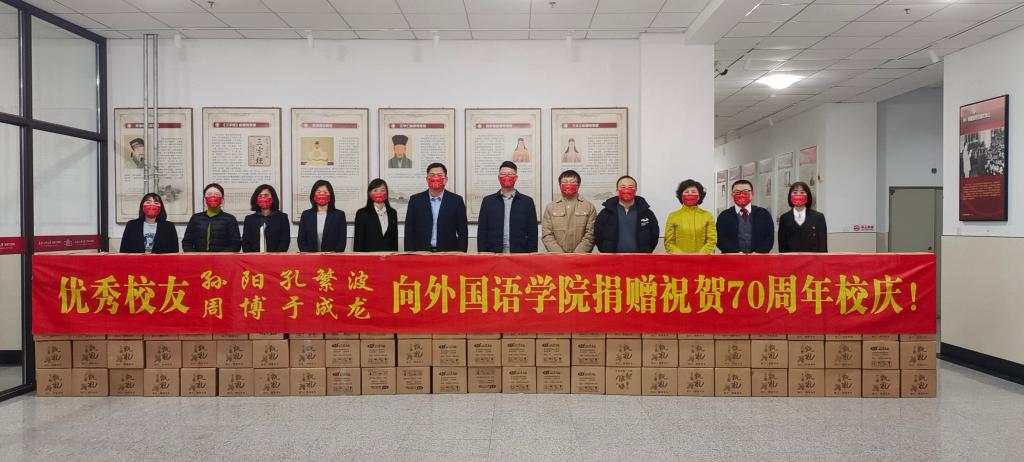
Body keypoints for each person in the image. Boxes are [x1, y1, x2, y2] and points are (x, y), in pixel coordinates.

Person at [404, 162, 468, 252]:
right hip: (421, 253)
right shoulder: (415, 200)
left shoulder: (456, 201)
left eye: (439, 175)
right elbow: (409, 231)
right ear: (427, 179)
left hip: (448, 253)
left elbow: (463, 232)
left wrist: (460, 253)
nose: (436, 178)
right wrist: (410, 254)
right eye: (432, 175)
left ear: (445, 179)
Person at [477, 161, 538, 253]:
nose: (506, 177)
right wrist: (483, 254)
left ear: (516, 178)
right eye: (503, 174)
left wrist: (531, 255)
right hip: (494, 253)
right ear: (499, 177)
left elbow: (532, 232)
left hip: (520, 253)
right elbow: (482, 231)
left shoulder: (527, 202)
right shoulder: (488, 201)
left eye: (510, 174)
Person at [594, 175, 659, 253]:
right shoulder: (606, 213)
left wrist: (646, 251)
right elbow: (598, 235)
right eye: (623, 187)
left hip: (639, 258)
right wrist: (606, 251)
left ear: (636, 190)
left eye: (630, 187)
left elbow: (654, 235)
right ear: (617, 190)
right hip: (612, 258)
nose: (627, 190)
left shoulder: (646, 213)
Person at [542, 169, 596, 253]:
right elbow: (547, 234)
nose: (568, 185)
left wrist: (576, 256)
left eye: (572, 182)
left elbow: (590, 235)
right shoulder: (551, 207)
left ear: (579, 185)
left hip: (581, 257)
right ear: (560, 185)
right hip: (558, 257)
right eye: (565, 182)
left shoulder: (589, 207)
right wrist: (561, 255)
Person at [716, 179, 774, 254]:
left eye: (745, 192)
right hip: (732, 258)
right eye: (737, 192)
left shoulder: (763, 214)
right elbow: (720, 240)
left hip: (758, 258)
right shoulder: (724, 216)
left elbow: (769, 238)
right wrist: (737, 253)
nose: (741, 195)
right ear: (732, 195)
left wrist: (757, 253)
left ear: (752, 194)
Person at [181, 183, 241, 252]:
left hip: (222, 258)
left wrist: (220, 256)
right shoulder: (195, 218)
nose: (213, 196)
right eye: (209, 194)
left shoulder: (230, 219)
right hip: (199, 258)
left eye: (217, 194)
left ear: (222, 199)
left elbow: (236, 244)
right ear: (204, 199)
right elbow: (186, 242)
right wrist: (196, 255)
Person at [664, 179, 717, 254]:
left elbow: (712, 240)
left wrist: (699, 256)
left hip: (702, 259)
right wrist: (683, 256)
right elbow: (669, 242)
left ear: (699, 196)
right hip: (679, 259)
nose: (690, 194)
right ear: (681, 196)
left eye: (693, 192)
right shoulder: (673, 216)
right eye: (686, 192)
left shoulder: (707, 215)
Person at [297, 180, 347, 252]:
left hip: (332, 257)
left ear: (330, 195)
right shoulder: (306, 215)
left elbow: (342, 242)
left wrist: (332, 255)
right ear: (313, 195)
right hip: (310, 257)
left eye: (325, 192)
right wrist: (310, 255)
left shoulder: (339, 215)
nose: (322, 194)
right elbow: (301, 241)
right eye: (318, 192)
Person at [778, 181, 827, 253]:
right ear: (790, 196)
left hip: (813, 258)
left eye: (802, 192)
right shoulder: (784, 218)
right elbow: (782, 246)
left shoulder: (818, 217)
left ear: (808, 195)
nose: (798, 195)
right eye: (795, 192)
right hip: (791, 259)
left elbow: (823, 245)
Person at [241, 184, 290, 253]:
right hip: (253, 257)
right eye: (260, 196)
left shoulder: (282, 218)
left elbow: (285, 242)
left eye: (266, 195)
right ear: (256, 200)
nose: (263, 198)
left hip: (276, 257)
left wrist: (274, 257)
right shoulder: (249, 219)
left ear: (272, 198)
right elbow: (245, 243)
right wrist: (253, 257)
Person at [353, 178, 399, 252]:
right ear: (369, 193)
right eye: (375, 190)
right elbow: (359, 241)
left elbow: (394, 239)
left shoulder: (393, 213)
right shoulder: (362, 213)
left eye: (382, 190)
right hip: (369, 256)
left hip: (389, 256)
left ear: (387, 193)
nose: (379, 193)